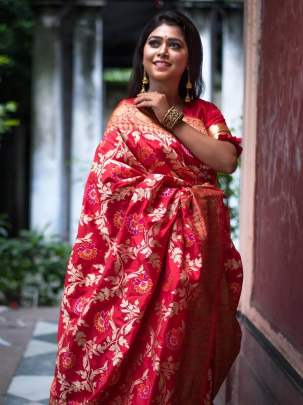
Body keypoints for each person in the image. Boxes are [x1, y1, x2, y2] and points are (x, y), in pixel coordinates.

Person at [49, 9, 243, 405]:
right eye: (155, 43)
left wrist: (170, 118)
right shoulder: (125, 116)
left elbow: (225, 160)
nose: (163, 51)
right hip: (134, 266)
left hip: (192, 265)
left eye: (175, 44)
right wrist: (174, 196)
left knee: (176, 352)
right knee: (125, 351)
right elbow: (108, 191)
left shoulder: (206, 115)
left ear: (189, 58)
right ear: (143, 54)